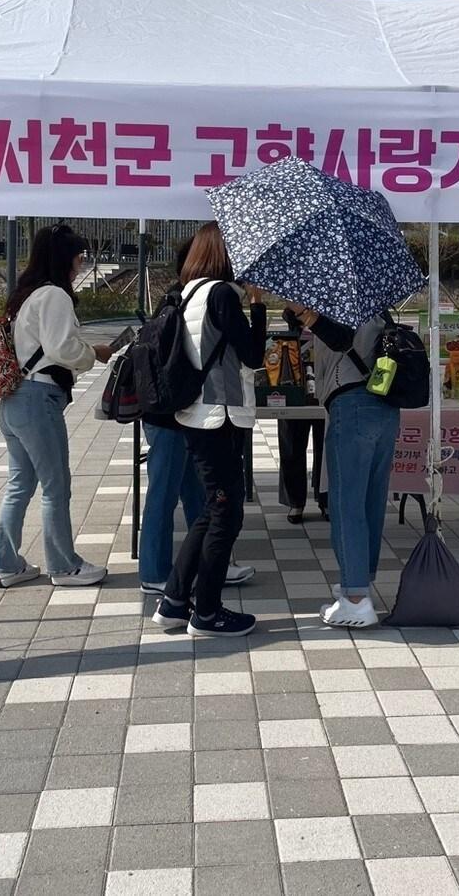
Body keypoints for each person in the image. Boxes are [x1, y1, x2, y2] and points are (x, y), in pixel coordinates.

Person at [152, 223, 267, 637]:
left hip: (200, 415)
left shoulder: (189, 291)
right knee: (226, 515)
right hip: (219, 415)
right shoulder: (220, 294)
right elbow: (252, 355)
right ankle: (208, 613)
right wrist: (257, 304)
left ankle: (174, 602)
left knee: (210, 510)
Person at [0, 226, 113, 589]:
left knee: (20, 485)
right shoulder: (55, 295)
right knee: (56, 486)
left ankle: (8, 564)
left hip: (14, 400)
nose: (81, 264)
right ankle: (64, 566)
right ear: (65, 257)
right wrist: (94, 354)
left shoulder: (24, 295)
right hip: (37, 402)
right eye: (79, 257)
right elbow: (62, 348)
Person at [285, 303, 397, 628]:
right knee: (370, 503)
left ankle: (356, 599)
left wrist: (310, 315)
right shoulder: (379, 307)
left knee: (346, 505)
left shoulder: (340, 306)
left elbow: (339, 338)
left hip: (352, 406)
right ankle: (359, 579)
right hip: (385, 407)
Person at [277, 308, 327, 524]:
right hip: (293, 381)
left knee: (327, 446)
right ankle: (295, 501)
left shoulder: (333, 309)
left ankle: (326, 499)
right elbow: (287, 314)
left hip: (326, 383)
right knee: (291, 443)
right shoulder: (293, 311)